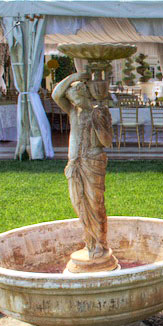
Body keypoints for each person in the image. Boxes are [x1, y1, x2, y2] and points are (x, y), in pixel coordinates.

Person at [52, 71, 114, 260]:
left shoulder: (98, 111)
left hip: (92, 162)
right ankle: (90, 242)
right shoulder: (73, 111)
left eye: (76, 95)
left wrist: (98, 121)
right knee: (79, 204)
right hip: (75, 164)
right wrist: (74, 77)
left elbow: (107, 141)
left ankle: (100, 244)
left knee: (96, 204)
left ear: (85, 94)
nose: (72, 99)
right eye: (71, 96)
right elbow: (56, 94)